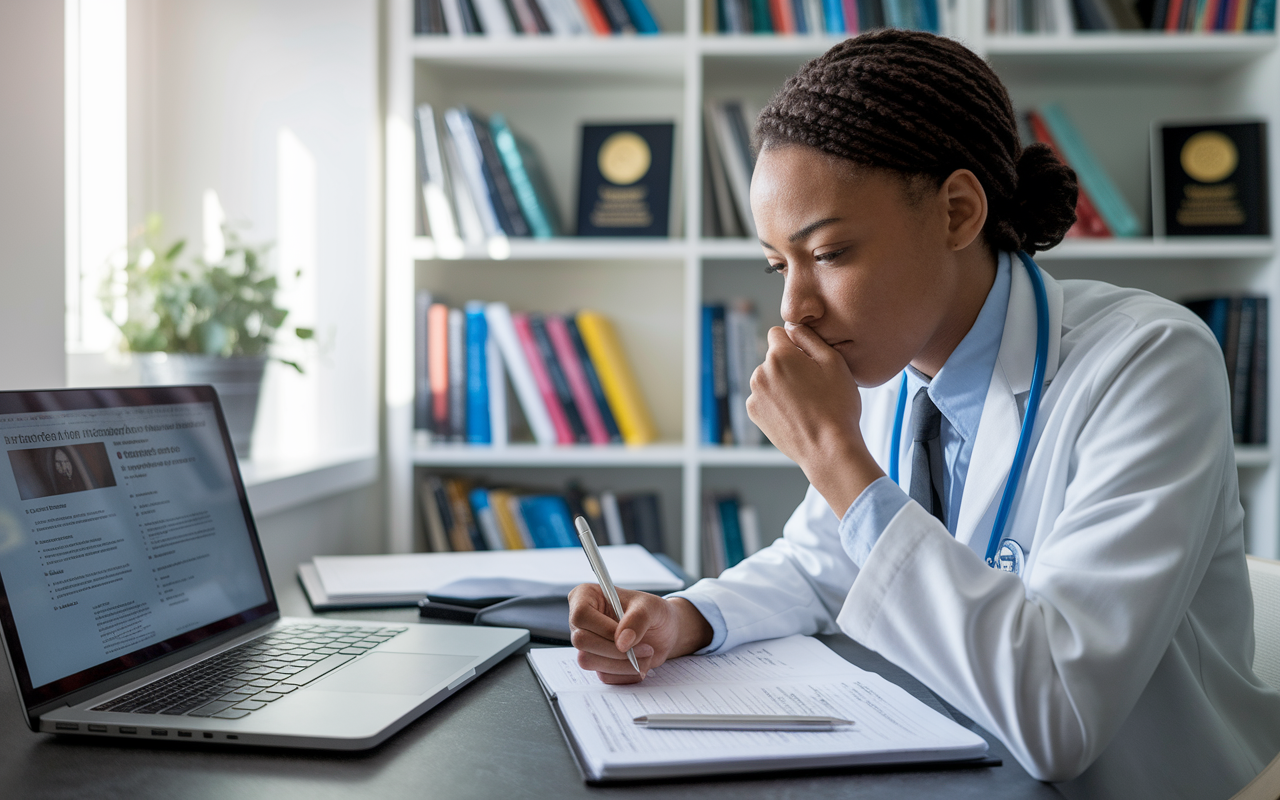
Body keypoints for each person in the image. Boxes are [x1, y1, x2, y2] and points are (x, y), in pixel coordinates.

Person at [567, 29, 1280, 799]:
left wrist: (833, 456)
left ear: (958, 211)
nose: (794, 311)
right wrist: (686, 619)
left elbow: (1057, 715)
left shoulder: (1150, 363)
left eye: (831, 254)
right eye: (780, 265)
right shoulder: (888, 360)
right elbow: (823, 562)